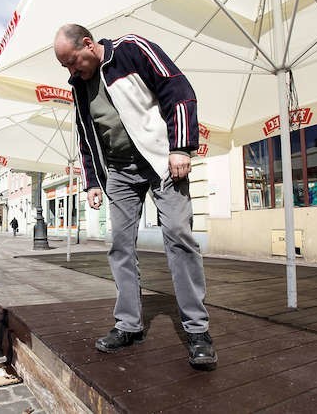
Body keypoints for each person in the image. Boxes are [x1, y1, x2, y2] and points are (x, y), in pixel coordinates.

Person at [53, 24, 217, 370]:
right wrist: (93, 182)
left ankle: (197, 330)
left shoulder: (131, 50)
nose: (71, 71)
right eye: (65, 67)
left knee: (179, 237)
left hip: (161, 160)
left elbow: (178, 89)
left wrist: (181, 147)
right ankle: (129, 325)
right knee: (120, 246)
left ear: (88, 44)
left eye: (72, 62)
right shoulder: (79, 87)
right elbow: (86, 136)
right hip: (120, 172)